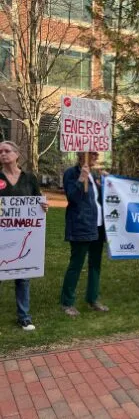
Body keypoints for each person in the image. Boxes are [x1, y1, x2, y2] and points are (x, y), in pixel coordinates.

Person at [0, 141, 50, 330]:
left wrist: (43, 206)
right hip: (2, 235)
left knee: (23, 276)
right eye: (0, 152)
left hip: (22, 235)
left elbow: (37, 201)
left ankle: (24, 316)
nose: (3, 154)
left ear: (17, 154)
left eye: (7, 151)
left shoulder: (30, 178)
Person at [61, 152, 110, 317]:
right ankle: (67, 302)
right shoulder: (71, 173)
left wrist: (108, 182)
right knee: (76, 265)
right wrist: (81, 179)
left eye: (97, 154)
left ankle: (93, 298)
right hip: (81, 225)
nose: (96, 157)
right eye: (93, 154)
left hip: (98, 226)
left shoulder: (96, 175)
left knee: (95, 265)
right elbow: (72, 197)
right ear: (82, 155)